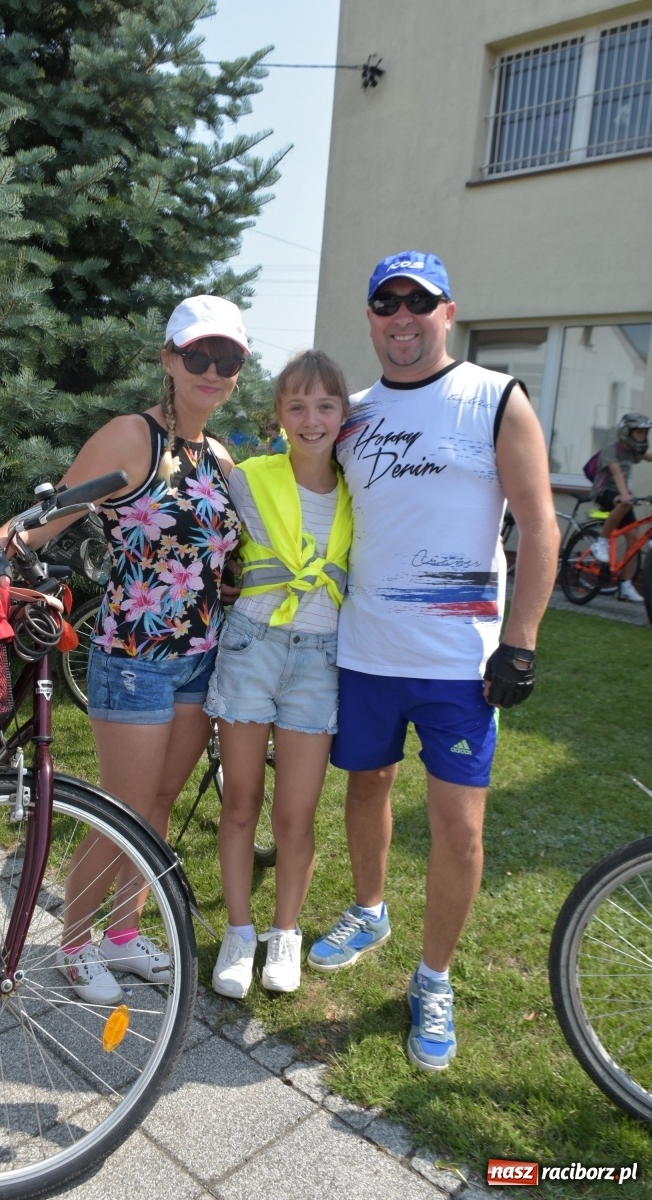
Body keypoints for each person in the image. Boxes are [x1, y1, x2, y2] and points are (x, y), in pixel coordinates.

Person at [306, 251, 559, 1071]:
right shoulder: (351, 415)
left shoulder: (496, 398)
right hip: (366, 651)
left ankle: (433, 977)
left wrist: (521, 641)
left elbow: (539, 524)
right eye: (387, 302)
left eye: (420, 301)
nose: (402, 316)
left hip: (460, 662)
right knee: (366, 787)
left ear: (448, 311)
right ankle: (370, 909)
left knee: (458, 826)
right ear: (371, 317)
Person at [0, 295, 247, 1003]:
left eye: (227, 359)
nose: (213, 370)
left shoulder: (219, 456)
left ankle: (123, 936)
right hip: (134, 660)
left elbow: (218, 557)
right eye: (198, 355)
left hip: (199, 658)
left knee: (156, 805)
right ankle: (74, 943)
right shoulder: (134, 438)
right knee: (122, 810)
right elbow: (48, 517)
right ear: (169, 359)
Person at [205, 350, 352, 997]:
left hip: (319, 661)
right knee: (241, 803)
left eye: (325, 406)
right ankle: (240, 934)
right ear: (279, 415)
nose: (311, 419)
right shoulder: (248, 478)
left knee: (297, 815)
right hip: (252, 650)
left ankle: (284, 933)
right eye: (297, 406)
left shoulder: (358, 489)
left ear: (343, 414)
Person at [588, 412, 652, 602]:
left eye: (644, 433)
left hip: (622, 496)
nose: (642, 436)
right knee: (623, 504)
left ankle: (625, 585)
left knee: (634, 538)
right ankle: (601, 541)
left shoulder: (633, 451)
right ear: (626, 432)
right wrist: (625, 495)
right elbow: (616, 474)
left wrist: (625, 496)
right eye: (638, 432)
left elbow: (648, 457)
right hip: (603, 492)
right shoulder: (612, 450)